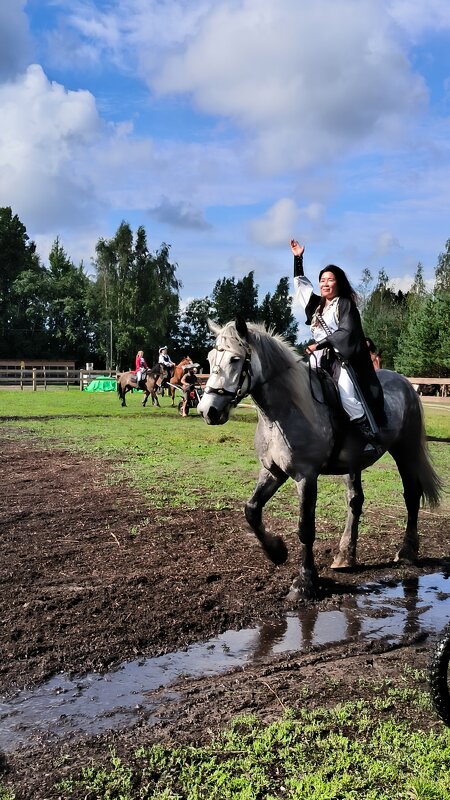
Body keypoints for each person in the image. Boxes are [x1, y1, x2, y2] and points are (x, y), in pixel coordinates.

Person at [290, 239, 386, 447]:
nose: (325, 283)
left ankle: (368, 435)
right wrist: (298, 258)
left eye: (330, 280)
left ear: (338, 283)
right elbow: (301, 286)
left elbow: (346, 332)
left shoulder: (344, 305)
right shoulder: (315, 305)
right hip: (317, 360)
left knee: (346, 395)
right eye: (322, 280)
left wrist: (318, 345)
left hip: (343, 360)